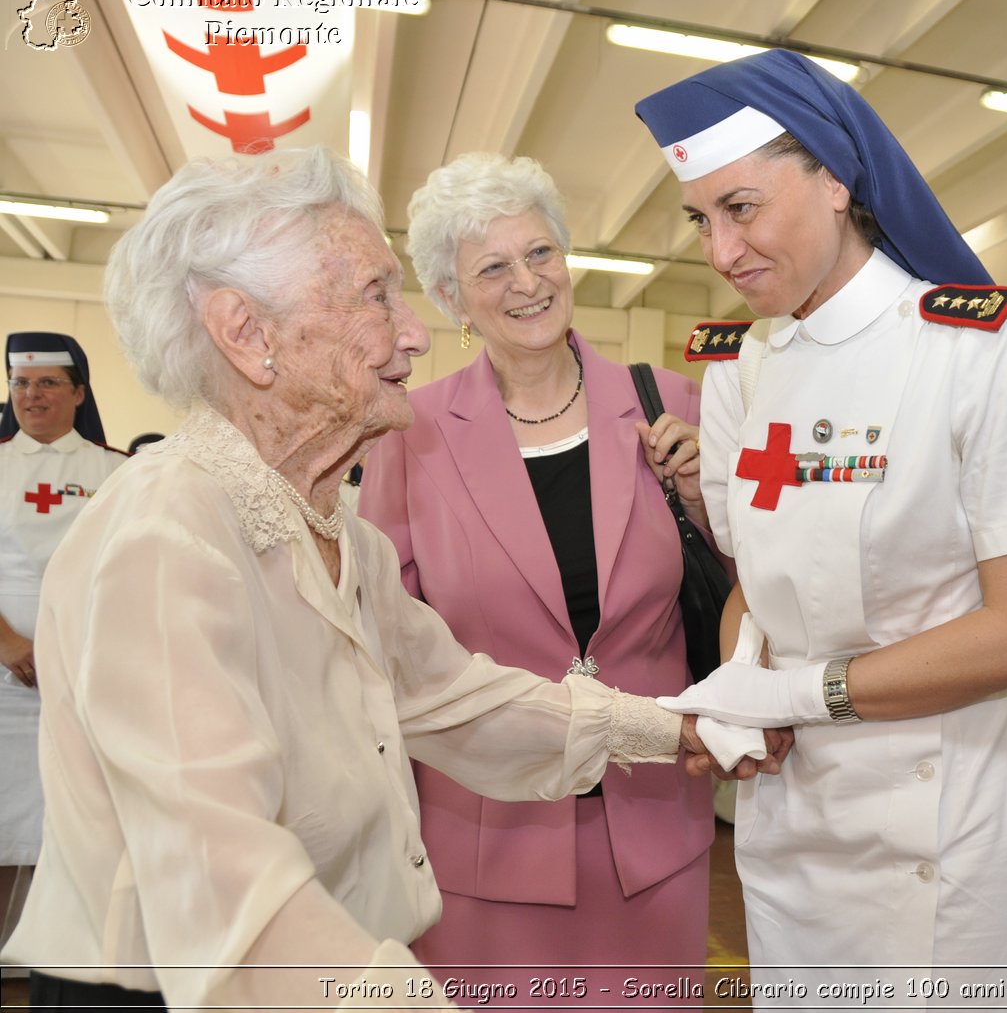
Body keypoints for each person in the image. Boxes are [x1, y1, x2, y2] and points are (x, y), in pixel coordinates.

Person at [0, 147, 713, 1011]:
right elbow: (229, 888)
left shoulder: (335, 531)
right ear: (247, 334)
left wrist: (666, 730)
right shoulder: (166, 536)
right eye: (377, 295)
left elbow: (455, 697)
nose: (413, 331)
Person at [636, 49, 1007, 1005]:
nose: (720, 253)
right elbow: (752, 592)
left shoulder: (977, 347)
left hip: (953, 822)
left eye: (742, 207)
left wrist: (796, 695)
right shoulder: (741, 368)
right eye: (700, 219)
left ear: (836, 178)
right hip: (797, 821)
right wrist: (737, 686)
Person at [358, 152, 720, 1004]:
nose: (527, 282)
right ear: (453, 300)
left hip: (652, 823)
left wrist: (708, 497)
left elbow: (751, 586)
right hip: (487, 835)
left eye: (541, 253)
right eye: (493, 267)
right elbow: (383, 640)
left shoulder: (671, 402)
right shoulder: (412, 435)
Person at [0, 332, 127, 975]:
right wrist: (10, 642)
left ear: (79, 392)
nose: (32, 396)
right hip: (1, 684)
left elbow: (130, 572)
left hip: (80, 680)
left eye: (48, 383)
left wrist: (65, 647)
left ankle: (45, 964)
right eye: (21, 384)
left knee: (64, 820)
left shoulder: (118, 470)